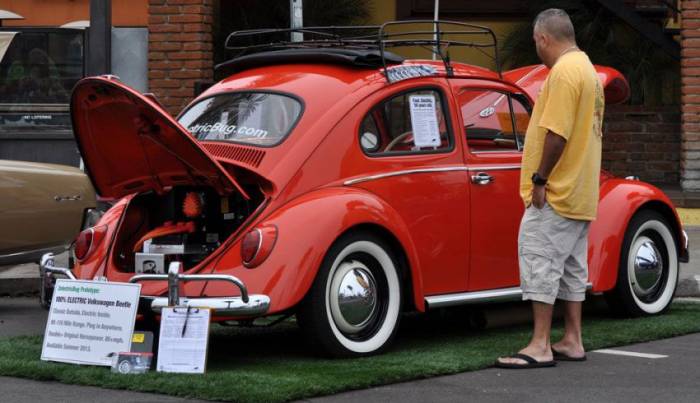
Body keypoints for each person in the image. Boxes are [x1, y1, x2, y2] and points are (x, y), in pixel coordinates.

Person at [496, 8, 605, 369]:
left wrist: (539, 180)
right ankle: (573, 339)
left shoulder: (562, 74)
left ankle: (540, 344)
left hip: (557, 190)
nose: (536, 47)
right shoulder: (587, 69)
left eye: (535, 41)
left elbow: (556, 133)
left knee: (539, 260)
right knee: (573, 269)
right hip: (581, 191)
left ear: (543, 37)